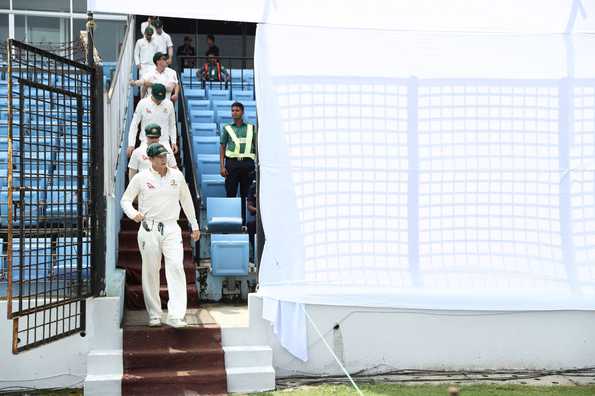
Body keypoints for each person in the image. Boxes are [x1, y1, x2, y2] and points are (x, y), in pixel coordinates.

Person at [121, 143, 200, 328]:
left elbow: (187, 201)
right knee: (150, 271)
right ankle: (154, 314)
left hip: (172, 228)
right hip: (149, 228)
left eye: (164, 156)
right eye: (159, 156)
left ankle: (176, 315)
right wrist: (133, 214)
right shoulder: (141, 178)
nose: (163, 159)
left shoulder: (177, 176)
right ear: (150, 159)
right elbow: (125, 200)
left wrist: (194, 224)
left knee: (176, 268)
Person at [127, 83, 178, 158]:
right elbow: (134, 124)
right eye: (157, 98)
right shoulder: (142, 103)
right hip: (145, 141)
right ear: (152, 94)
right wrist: (131, 144)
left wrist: (173, 142)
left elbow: (172, 125)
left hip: (164, 141)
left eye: (161, 98)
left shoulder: (169, 104)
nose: (159, 101)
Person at [220, 102, 256, 200]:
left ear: (242, 112)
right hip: (232, 164)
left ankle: (245, 215)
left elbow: (256, 146)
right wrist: (222, 167)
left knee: (247, 195)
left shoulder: (251, 128)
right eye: (232, 110)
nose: (234, 112)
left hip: (248, 164)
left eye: (237, 110)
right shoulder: (227, 128)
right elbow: (222, 147)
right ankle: (231, 215)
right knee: (231, 192)